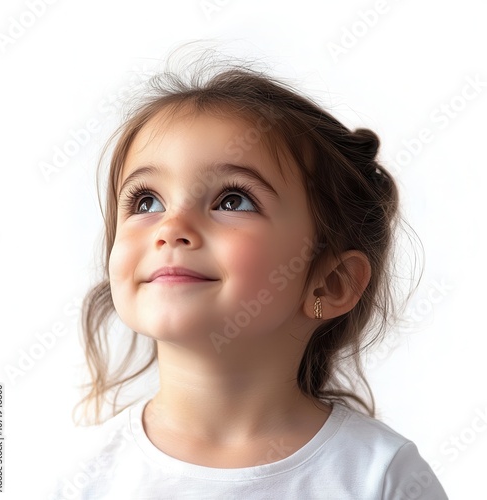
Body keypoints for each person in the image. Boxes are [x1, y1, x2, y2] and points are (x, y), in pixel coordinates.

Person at [51, 52, 449, 499]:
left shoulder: (380, 476)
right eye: (146, 202)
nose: (171, 228)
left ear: (330, 282)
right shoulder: (76, 476)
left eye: (233, 200)